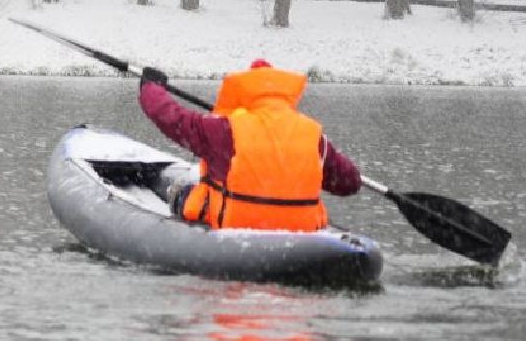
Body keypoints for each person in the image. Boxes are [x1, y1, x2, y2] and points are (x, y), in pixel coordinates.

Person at [138, 59, 360, 231]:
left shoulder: (225, 130)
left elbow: (171, 117)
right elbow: (350, 183)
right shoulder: (314, 135)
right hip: (301, 229)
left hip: (237, 226)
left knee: (183, 192)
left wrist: (151, 88)